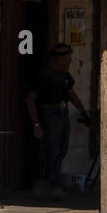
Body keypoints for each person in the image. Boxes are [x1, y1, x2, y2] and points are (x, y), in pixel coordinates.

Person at [25, 43, 88, 197]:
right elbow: (30, 99)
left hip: (62, 111)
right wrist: (36, 124)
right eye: (68, 57)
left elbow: (71, 94)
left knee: (63, 147)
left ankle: (55, 179)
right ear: (59, 58)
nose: (71, 60)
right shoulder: (43, 74)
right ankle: (53, 183)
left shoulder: (64, 75)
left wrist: (83, 112)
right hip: (49, 113)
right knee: (52, 149)